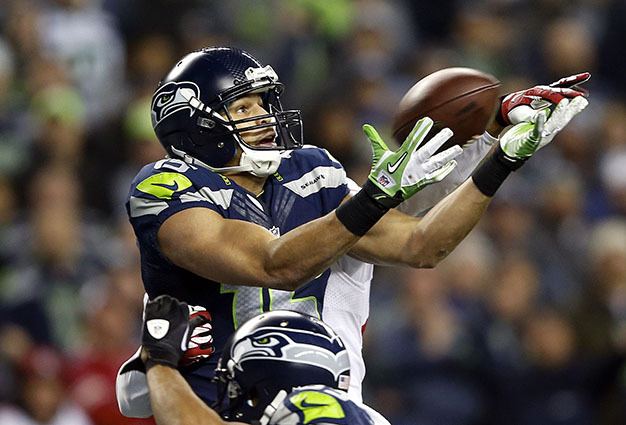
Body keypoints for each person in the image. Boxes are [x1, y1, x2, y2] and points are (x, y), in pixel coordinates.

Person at [118, 46, 589, 415]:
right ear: (196, 123)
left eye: (263, 101)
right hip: (219, 410)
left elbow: (421, 244)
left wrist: (499, 153)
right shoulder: (166, 187)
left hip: (333, 404)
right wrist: (375, 195)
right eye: (243, 107)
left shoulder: (312, 172)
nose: (263, 116)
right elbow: (273, 263)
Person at [141, 294, 384, 425]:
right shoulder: (366, 417)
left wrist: (160, 359)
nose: (234, 397)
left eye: (241, 388)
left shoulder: (311, 406)